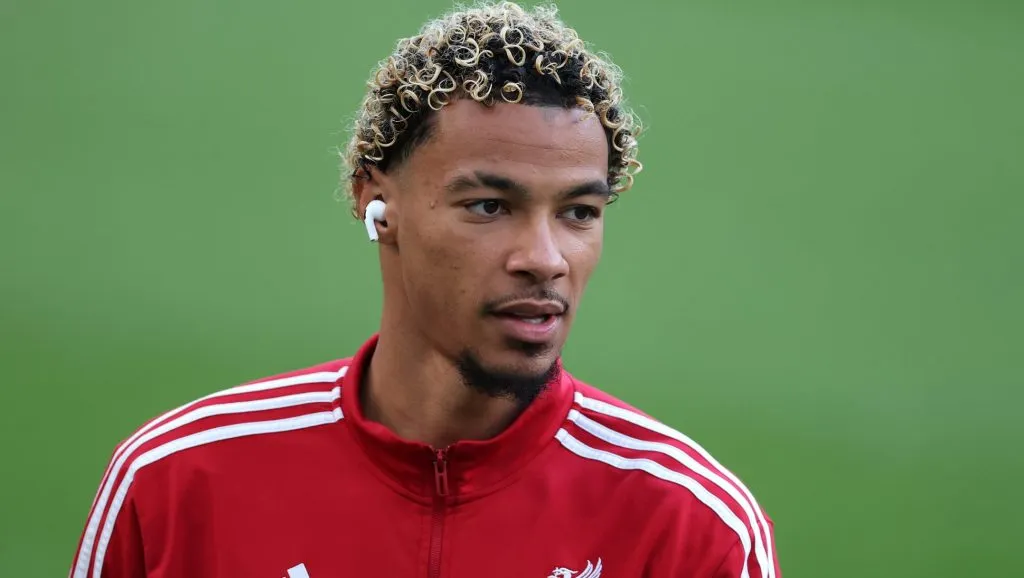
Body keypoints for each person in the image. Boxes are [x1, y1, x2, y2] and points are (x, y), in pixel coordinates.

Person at [70, 2, 781, 577]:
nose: (545, 259)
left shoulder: (690, 526)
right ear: (377, 202)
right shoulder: (178, 482)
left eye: (578, 213)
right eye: (489, 206)